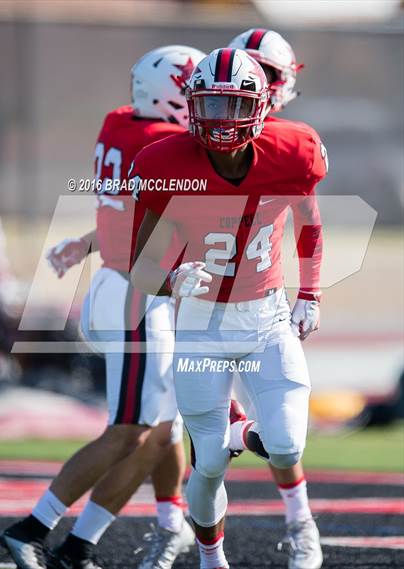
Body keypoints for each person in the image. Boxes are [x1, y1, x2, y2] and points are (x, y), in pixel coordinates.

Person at [0, 45, 206, 569]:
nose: (203, 104)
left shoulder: (120, 124)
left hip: (127, 283)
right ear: (170, 96)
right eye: (195, 91)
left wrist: (84, 242)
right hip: (139, 292)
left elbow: (124, 216)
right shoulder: (167, 144)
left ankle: (146, 527)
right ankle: (35, 527)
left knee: (163, 429)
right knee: (129, 430)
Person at [131, 47, 327, 569]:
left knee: (286, 447)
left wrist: (310, 291)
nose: (223, 120)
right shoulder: (163, 164)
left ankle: (250, 442)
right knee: (210, 462)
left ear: (261, 107)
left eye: (236, 105)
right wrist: (172, 278)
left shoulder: (294, 152)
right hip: (200, 324)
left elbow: (310, 223)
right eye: (212, 106)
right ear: (192, 106)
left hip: (266, 319)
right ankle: (210, 558)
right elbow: (140, 267)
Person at [226, 28, 324, 568]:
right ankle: (180, 534)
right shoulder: (191, 138)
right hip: (185, 298)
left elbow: (309, 221)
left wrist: (309, 290)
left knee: (280, 431)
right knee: (165, 426)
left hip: (256, 305)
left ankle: (299, 522)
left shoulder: (288, 143)